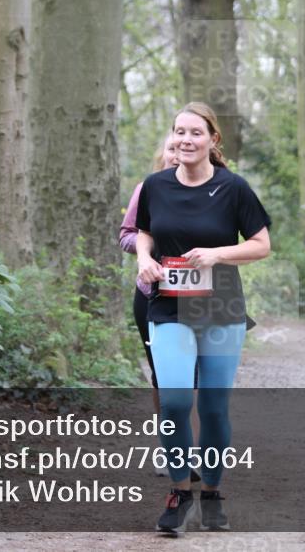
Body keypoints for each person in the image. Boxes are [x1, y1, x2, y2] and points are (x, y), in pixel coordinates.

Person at [136, 102, 271, 533]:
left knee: (213, 408)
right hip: (169, 305)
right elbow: (144, 232)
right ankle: (179, 495)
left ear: (213, 140)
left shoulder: (234, 188)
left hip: (221, 306)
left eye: (196, 133)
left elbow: (261, 244)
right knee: (175, 401)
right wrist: (143, 259)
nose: (186, 140)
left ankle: (211, 493)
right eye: (179, 132)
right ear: (172, 138)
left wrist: (217, 254)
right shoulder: (155, 185)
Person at [119, 135, 202, 481]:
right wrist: (146, 257)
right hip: (153, 295)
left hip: (202, 296)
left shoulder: (210, 191)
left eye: (181, 147)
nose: (175, 153)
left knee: (194, 374)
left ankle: (193, 448)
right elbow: (126, 234)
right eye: (170, 148)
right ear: (162, 155)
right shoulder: (147, 190)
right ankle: (168, 442)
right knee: (163, 375)